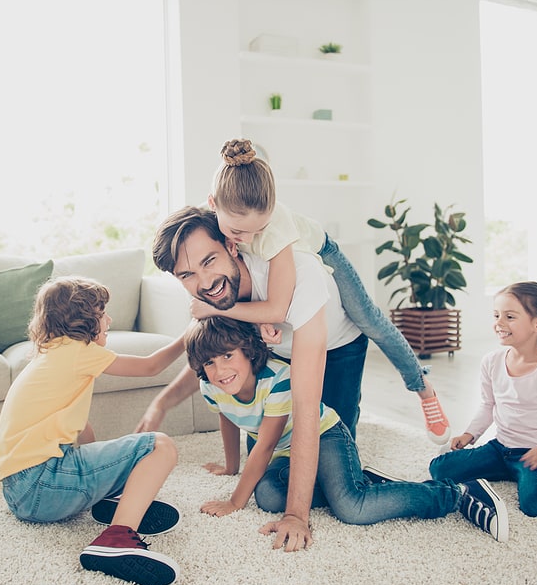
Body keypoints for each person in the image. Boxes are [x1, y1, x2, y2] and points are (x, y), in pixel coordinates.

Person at [138, 205, 369, 551]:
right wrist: (160, 406)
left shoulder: (291, 272)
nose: (204, 283)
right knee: (269, 481)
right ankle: (337, 478)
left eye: (208, 261)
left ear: (232, 246)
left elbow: (305, 409)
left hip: (336, 347)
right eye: (186, 275)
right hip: (279, 358)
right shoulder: (215, 301)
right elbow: (208, 365)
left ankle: (349, 477)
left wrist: (296, 515)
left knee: (332, 448)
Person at [193, 138, 450, 445]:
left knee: (367, 318)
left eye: (257, 230)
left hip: (321, 250)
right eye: (238, 232)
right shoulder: (210, 228)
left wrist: (218, 308)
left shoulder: (276, 230)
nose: (248, 238)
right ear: (212, 204)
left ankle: (423, 388)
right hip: (282, 286)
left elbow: (278, 305)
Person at [185, 315, 509, 541]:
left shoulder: (277, 380)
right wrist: (231, 467)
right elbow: (227, 416)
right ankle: (360, 480)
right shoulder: (211, 387)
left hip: (324, 435)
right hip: (287, 451)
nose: (220, 369)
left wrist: (234, 502)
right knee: (268, 496)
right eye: (209, 363)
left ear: (248, 350)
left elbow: (265, 446)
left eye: (228, 355)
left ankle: (455, 493)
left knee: (352, 507)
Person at [0, 276, 184, 585]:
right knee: (159, 447)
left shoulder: (52, 352)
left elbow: (82, 431)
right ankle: (116, 539)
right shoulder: (77, 351)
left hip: (21, 493)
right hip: (42, 485)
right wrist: (188, 336)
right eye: (102, 312)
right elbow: (151, 366)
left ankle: (108, 500)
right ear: (82, 320)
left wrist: (106, 476)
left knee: (111, 447)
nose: (109, 320)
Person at [428, 281, 537, 519]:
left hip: (536, 453)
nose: (499, 324)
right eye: (496, 315)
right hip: (500, 448)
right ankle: (507, 472)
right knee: (439, 469)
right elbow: (488, 405)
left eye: (510, 317)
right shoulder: (491, 362)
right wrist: (470, 435)